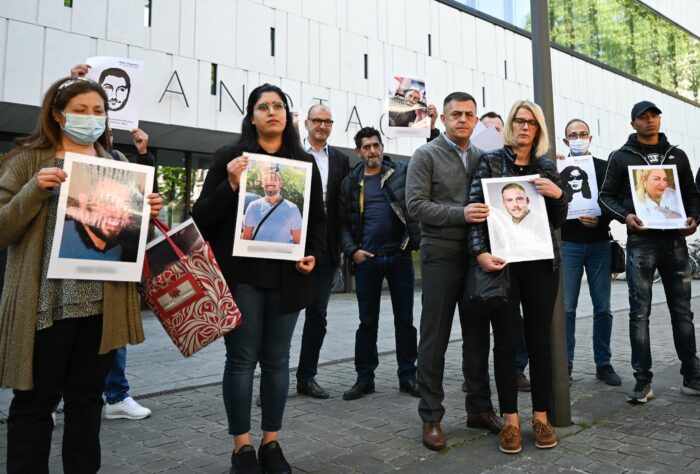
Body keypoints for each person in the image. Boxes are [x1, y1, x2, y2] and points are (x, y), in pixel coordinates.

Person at [0, 76, 162, 473]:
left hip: (100, 308)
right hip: (44, 306)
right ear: (57, 115)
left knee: (87, 403)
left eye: (98, 111)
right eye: (81, 111)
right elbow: (3, 228)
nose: (91, 119)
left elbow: (129, 242)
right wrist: (34, 191)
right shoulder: (27, 162)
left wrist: (148, 217)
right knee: (35, 404)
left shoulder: (117, 165)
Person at [191, 83, 326, 474]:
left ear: (287, 114)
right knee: (241, 360)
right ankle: (242, 449)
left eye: (279, 106)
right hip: (241, 277)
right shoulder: (230, 157)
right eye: (263, 106)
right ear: (252, 115)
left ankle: (271, 443)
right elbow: (201, 217)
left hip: (289, 277)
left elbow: (317, 218)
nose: (272, 112)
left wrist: (313, 254)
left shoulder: (302, 163)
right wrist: (231, 184)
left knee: (278, 361)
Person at [468, 100, 567, 454]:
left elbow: (557, 218)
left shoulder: (544, 166)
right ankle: (510, 419)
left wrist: (559, 194)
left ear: (538, 130)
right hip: (503, 265)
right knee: (506, 343)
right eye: (519, 121)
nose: (525, 127)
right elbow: (477, 212)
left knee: (540, 342)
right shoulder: (490, 162)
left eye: (531, 123)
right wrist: (479, 252)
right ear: (510, 125)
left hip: (541, 264)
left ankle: (541, 417)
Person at [406, 91, 502, 451]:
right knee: (435, 337)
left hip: (477, 255)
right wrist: (459, 214)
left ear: (476, 121)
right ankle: (431, 415)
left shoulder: (485, 156)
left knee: (477, 335)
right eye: (456, 114)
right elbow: (415, 205)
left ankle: (478, 409)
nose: (463, 119)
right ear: (443, 119)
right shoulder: (425, 155)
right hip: (440, 253)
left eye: (469, 115)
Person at [599, 100, 700, 404]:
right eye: (643, 117)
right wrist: (625, 216)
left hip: (675, 243)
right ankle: (643, 380)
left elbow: (692, 195)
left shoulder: (677, 157)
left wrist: (694, 219)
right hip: (640, 243)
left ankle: (692, 376)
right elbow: (606, 196)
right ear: (633, 124)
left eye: (654, 115)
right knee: (639, 313)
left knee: (682, 313)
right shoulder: (621, 157)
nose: (650, 121)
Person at [337, 127, 421, 401]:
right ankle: (365, 378)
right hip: (367, 260)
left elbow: (424, 160)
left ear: (382, 147)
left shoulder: (399, 172)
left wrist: (429, 127)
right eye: (366, 147)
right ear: (359, 151)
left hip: (399, 257)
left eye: (376, 145)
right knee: (366, 322)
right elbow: (343, 225)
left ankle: (408, 375)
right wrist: (353, 252)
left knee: (405, 321)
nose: (372, 151)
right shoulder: (351, 181)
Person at [559, 119, 620, 386]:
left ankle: (603, 364)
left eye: (582, 134)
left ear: (591, 138)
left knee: (603, 308)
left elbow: (615, 201)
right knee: (566, 309)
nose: (578, 138)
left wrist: (602, 220)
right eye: (573, 135)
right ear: (565, 140)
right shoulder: (557, 167)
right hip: (568, 245)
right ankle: (565, 365)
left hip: (598, 244)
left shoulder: (603, 168)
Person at [296, 104, 350, 399]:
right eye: (317, 120)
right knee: (279, 315)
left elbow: (343, 205)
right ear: (306, 123)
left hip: (327, 248)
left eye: (328, 121)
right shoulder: (292, 153)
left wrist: (343, 248)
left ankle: (307, 377)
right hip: (291, 243)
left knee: (317, 315)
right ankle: (270, 381)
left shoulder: (341, 160)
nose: (322, 125)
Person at [478, 111, 531, 393]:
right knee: (481, 316)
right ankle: (475, 374)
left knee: (514, 319)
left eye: (498, 130)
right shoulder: (480, 162)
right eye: (487, 130)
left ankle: (517, 368)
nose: (494, 135)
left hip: (518, 252)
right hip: (485, 251)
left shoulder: (516, 166)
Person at [486, 182, 554, 260]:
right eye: (509, 200)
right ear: (504, 204)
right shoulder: (501, 225)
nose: (515, 204)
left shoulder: (543, 223)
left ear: (527, 200)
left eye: (519, 199)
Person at [241, 165, 303, 244]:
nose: (270, 182)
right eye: (266, 179)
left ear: (280, 183)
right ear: (262, 183)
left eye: (274, 178)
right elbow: (246, 239)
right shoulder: (253, 207)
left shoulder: (292, 209)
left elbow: (298, 243)